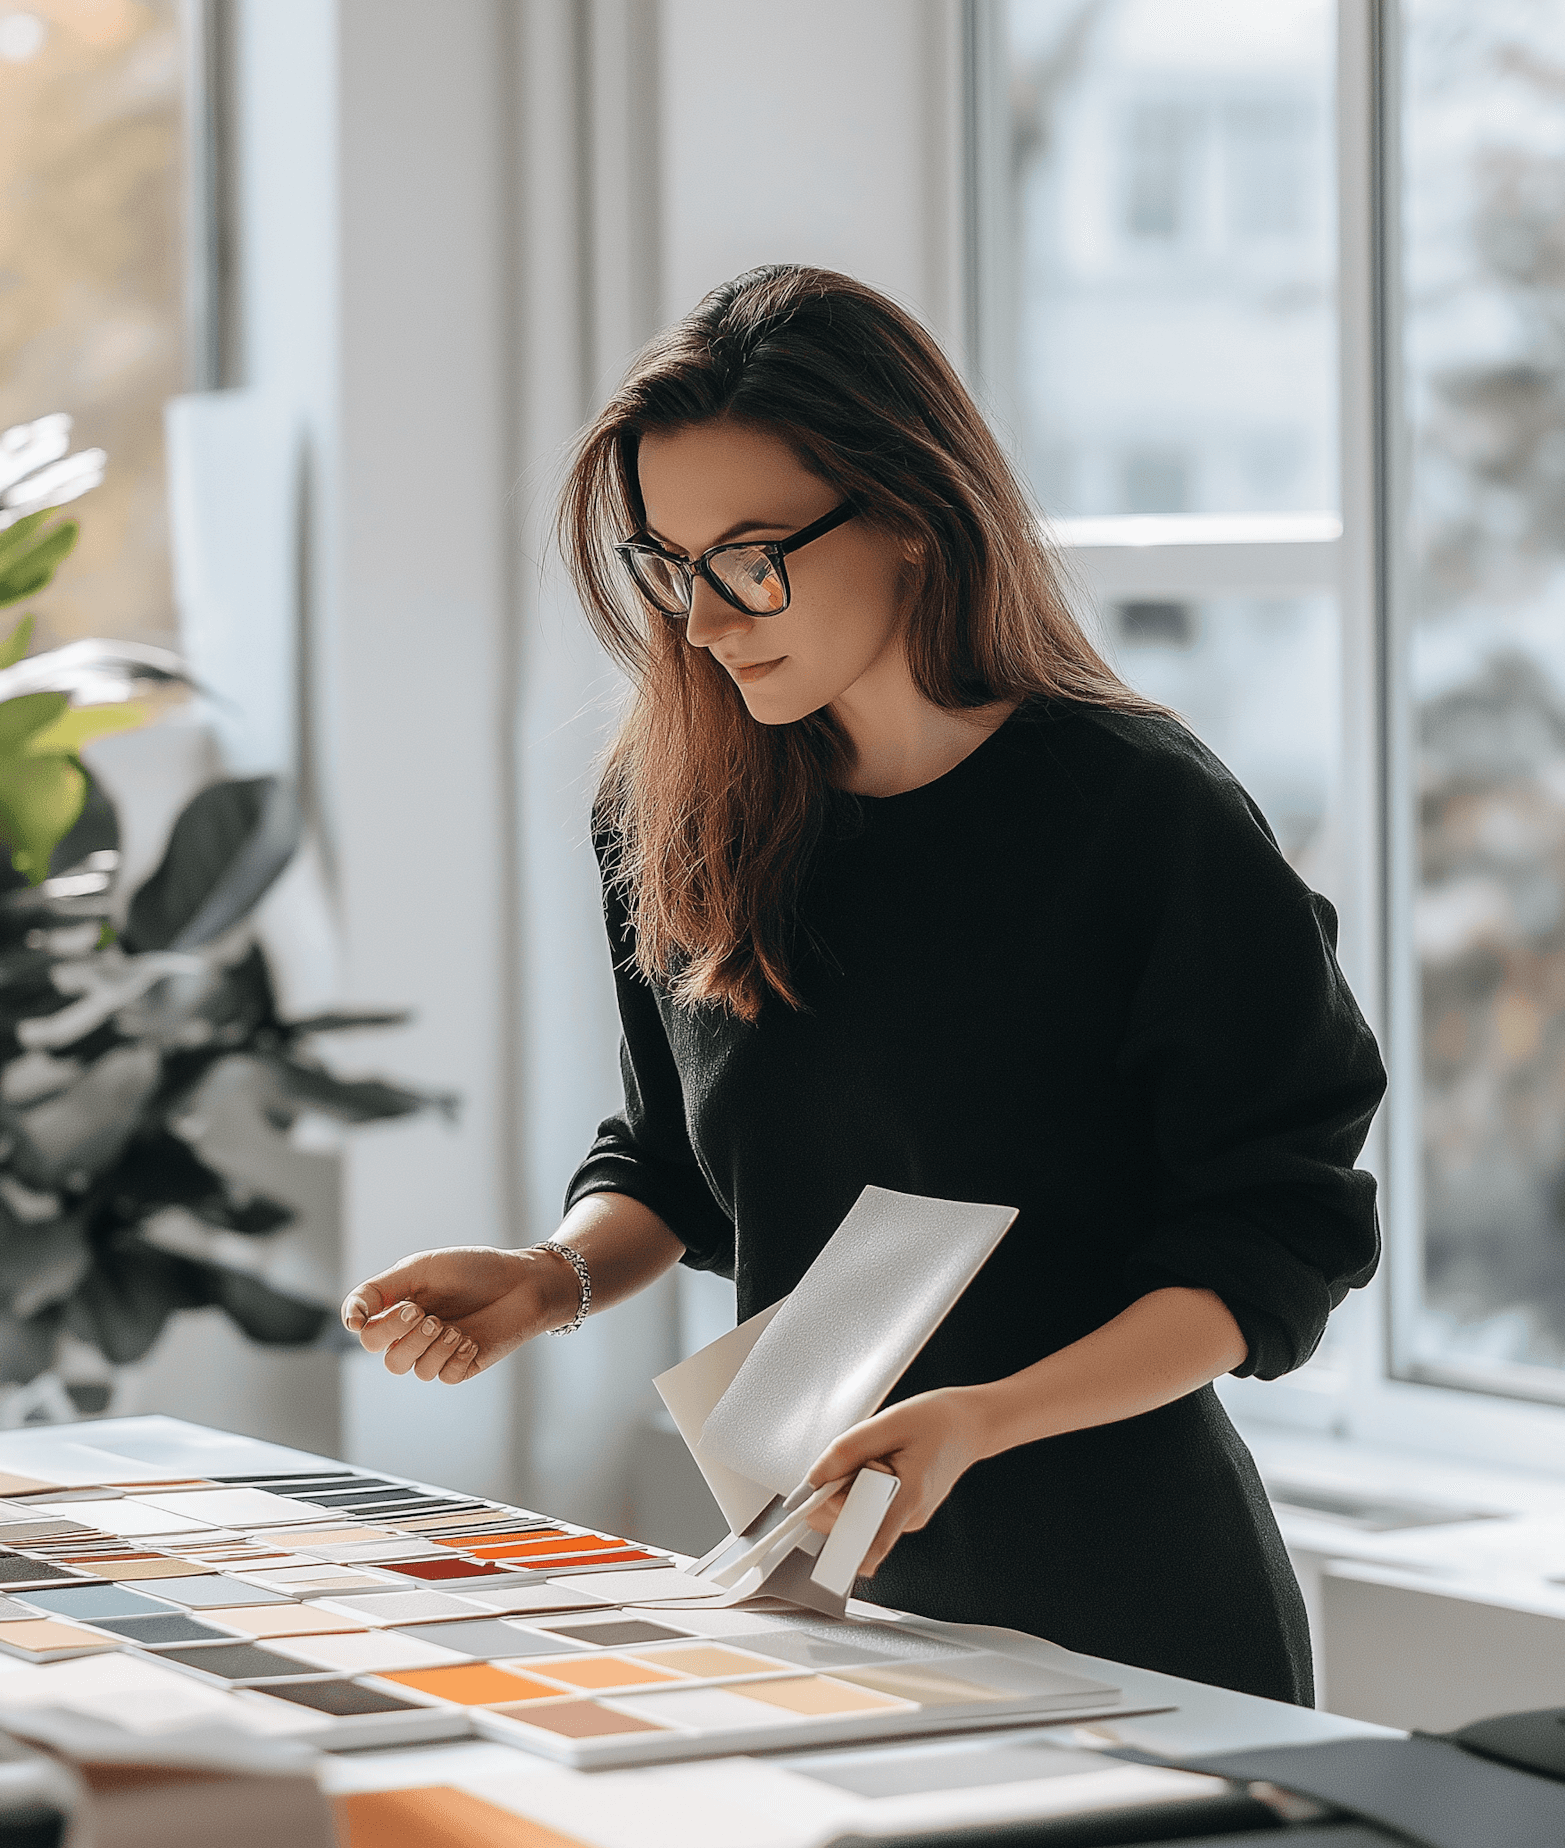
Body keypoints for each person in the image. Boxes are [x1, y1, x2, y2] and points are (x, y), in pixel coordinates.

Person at [343, 264, 1384, 1705]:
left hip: (1127, 1597)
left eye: (751, 556)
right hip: (819, 1596)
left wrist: (985, 1419)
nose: (705, 620)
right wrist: (551, 1274)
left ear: (907, 513)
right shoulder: (671, 809)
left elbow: (1272, 1233)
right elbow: (677, 1159)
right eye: (670, 565)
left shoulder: (1140, 817)